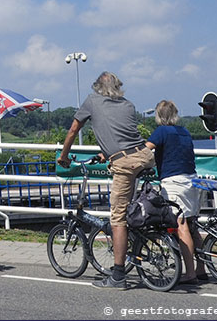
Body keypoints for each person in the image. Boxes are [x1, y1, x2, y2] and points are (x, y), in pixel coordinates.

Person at [58, 71, 155, 290]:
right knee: (134, 206)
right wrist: (106, 153)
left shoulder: (92, 101)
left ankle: (118, 275)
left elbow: (74, 129)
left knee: (117, 218)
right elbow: (122, 134)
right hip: (144, 156)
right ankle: (140, 238)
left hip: (125, 163)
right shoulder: (128, 105)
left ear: (97, 87)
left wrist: (64, 157)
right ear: (118, 87)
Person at [146, 100, 205, 283]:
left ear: (159, 115)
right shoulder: (184, 131)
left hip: (174, 181)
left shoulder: (162, 131)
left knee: (181, 226)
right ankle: (201, 269)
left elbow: (145, 150)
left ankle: (190, 273)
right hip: (192, 179)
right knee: (192, 225)